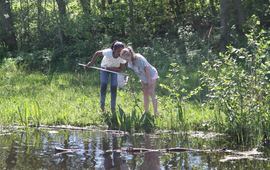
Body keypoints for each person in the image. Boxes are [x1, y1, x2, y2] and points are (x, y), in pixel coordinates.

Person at [86, 41, 126, 114]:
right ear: (113, 49)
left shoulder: (123, 57)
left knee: (113, 87)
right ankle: (102, 108)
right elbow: (97, 53)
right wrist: (91, 63)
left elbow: (120, 69)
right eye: (118, 51)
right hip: (104, 67)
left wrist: (109, 69)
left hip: (115, 70)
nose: (120, 53)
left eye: (122, 51)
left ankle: (113, 110)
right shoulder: (108, 52)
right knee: (104, 85)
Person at [120, 47, 159, 115]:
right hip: (144, 77)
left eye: (127, 59)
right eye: (125, 60)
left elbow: (147, 70)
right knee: (145, 92)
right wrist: (142, 80)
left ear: (131, 55)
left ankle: (156, 112)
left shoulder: (140, 59)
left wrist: (148, 81)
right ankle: (146, 112)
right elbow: (137, 72)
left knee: (151, 91)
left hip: (151, 74)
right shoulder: (130, 62)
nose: (126, 61)